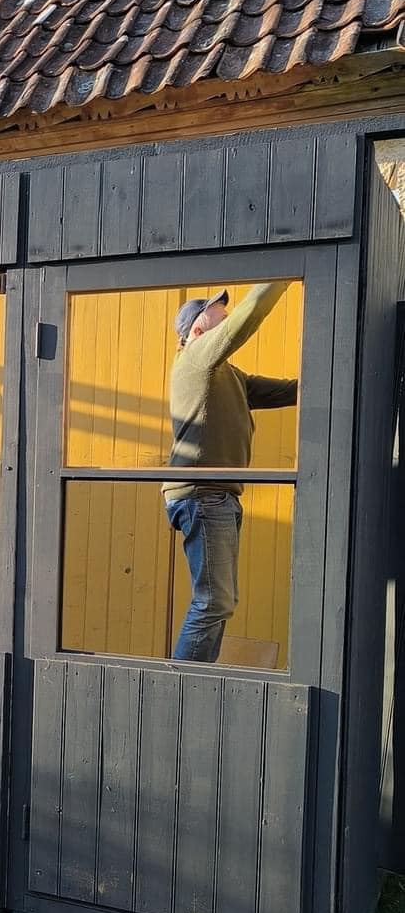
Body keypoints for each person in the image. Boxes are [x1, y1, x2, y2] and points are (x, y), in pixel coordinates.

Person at [163, 283, 298, 662]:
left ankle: (199, 677)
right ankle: (183, 683)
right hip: (202, 494)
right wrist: (283, 276)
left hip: (217, 496)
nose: (226, 313)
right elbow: (246, 318)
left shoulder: (228, 375)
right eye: (218, 312)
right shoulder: (196, 358)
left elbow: (288, 391)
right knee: (213, 601)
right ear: (198, 330)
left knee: (221, 602)